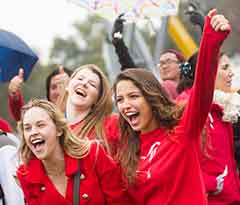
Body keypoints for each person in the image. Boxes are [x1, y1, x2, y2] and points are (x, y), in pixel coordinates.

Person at [112, 9, 230, 205]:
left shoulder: (182, 130)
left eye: (133, 96)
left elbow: (202, 86)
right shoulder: (127, 152)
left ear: (151, 97)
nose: (125, 105)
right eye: (120, 100)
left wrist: (211, 38)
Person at [16, 99, 129, 205]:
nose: (33, 132)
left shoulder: (93, 154)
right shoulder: (26, 176)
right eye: (27, 128)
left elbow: (119, 201)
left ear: (59, 130)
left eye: (40, 125)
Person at [177, 51, 240, 204]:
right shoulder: (189, 108)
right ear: (207, 71)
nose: (231, 73)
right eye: (225, 68)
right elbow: (182, 159)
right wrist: (211, 184)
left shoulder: (219, 105)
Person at [58, 64, 119, 155]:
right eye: (80, 79)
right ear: (67, 85)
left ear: (98, 99)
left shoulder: (112, 123)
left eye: (92, 84)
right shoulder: (52, 127)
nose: (84, 83)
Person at [8, 66, 72, 122]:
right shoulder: (42, 115)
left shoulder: (81, 118)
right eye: (53, 87)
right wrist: (14, 95)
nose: (59, 91)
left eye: (63, 86)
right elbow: (22, 117)